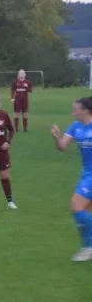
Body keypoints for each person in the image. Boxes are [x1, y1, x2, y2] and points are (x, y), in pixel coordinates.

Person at [51, 97, 92, 261]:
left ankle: (89, 246)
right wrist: (56, 137)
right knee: (87, 211)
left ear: (86, 110)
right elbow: (62, 147)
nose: (72, 112)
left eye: (75, 110)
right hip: (86, 172)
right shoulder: (75, 126)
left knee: (76, 206)